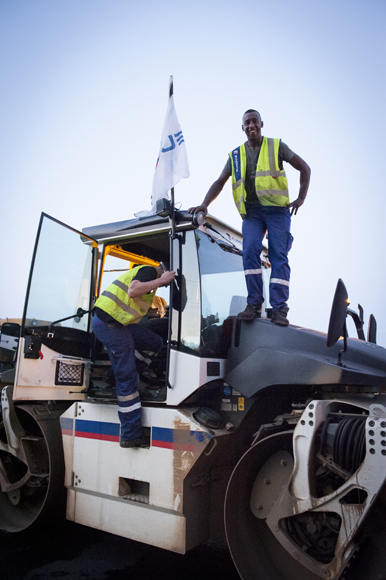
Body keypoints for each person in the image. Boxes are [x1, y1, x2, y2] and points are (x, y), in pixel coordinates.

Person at [189, 109, 310, 326]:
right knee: (250, 250)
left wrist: (300, 198)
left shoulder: (276, 147)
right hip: (252, 213)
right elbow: (219, 182)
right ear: (242, 127)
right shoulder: (235, 156)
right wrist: (204, 205)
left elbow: (304, 168)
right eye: (247, 122)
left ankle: (280, 308)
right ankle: (254, 304)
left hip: (277, 211)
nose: (251, 125)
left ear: (262, 124)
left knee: (278, 255)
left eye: (254, 121)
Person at [92, 264, 175, 448]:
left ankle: (115, 375)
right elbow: (133, 290)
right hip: (108, 323)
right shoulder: (150, 271)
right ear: (167, 269)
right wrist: (162, 279)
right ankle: (130, 435)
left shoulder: (152, 283)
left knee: (155, 342)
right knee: (127, 376)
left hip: (119, 323)